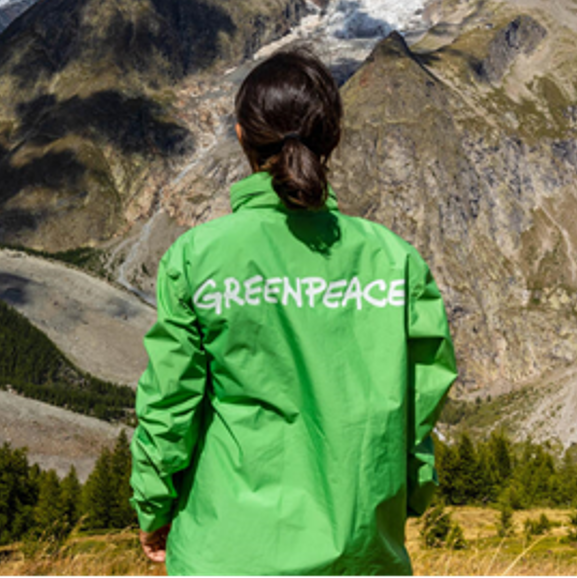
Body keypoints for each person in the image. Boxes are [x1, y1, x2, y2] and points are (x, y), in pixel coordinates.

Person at [129, 49, 457, 577]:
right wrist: (403, 499)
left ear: (241, 136)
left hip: (226, 551)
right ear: (333, 136)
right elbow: (419, 403)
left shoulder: (198, 256)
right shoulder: (393, 261)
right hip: (362, 551)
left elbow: (170, 405)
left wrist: (153, 506)